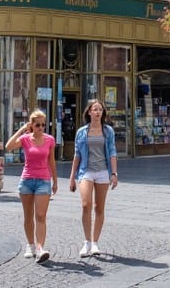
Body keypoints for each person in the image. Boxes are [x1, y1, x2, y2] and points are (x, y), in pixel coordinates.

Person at [68, 99, 118, 258]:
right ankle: (86, 241)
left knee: (99, 208)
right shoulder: (82, 131)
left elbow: (112, 152)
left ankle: (95, 242)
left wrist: (114, 174)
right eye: (95, 109)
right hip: (85, 171)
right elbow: (77, 154)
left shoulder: (108, 131)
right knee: (85, 204)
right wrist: (72, 176)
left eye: (100, 110)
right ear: (89, 112)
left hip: (103, 171)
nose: (98, 112)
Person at [6, 110, 57, 263]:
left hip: (43, 181)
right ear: (32, 125)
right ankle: (30, 245)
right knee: (28, 216)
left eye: (43, 124)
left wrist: (55, 179)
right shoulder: (25, 139)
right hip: (27, 180)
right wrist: (22, 130)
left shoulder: (50, 140)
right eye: (37, 125)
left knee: (40, 216)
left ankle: (41, 248)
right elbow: (8, 147)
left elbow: (51, 161)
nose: (41, 127)